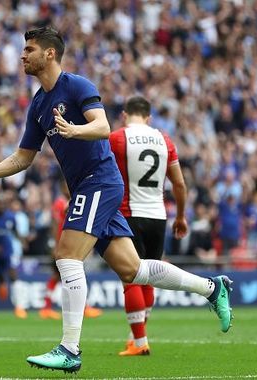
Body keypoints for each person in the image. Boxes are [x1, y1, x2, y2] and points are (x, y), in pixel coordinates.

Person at [0, 27, 233, 374]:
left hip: (99, 180)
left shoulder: (78, 86)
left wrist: (74, 130)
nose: (22, 56)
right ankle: (210, 287)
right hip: (90, 185)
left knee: (66, 255)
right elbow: (24, 157)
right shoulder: (38, 104)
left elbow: (101, 126)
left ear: (50, 54)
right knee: (133, 269)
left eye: (29, 49)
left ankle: (70, 348)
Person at [109, 95, 188, 356]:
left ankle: (140, 343)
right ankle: (136, 338)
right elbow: (179, 184)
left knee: (131, 278)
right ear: (149, 117)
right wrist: (181, 216)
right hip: (158, 216)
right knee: (149, 279)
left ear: (124, 114)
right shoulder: (165, 140)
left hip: (129, 214)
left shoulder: (117, 138)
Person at [39, 177, 102, 320]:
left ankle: (47, 307)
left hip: (70, 245)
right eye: (66, 186)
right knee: (70, 275)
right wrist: (55, 245)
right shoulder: (60, 203)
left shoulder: (73, 201)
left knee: (62, 277)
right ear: (62, 188)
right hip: (62, 246)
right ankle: (80, 307)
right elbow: (55, 225)